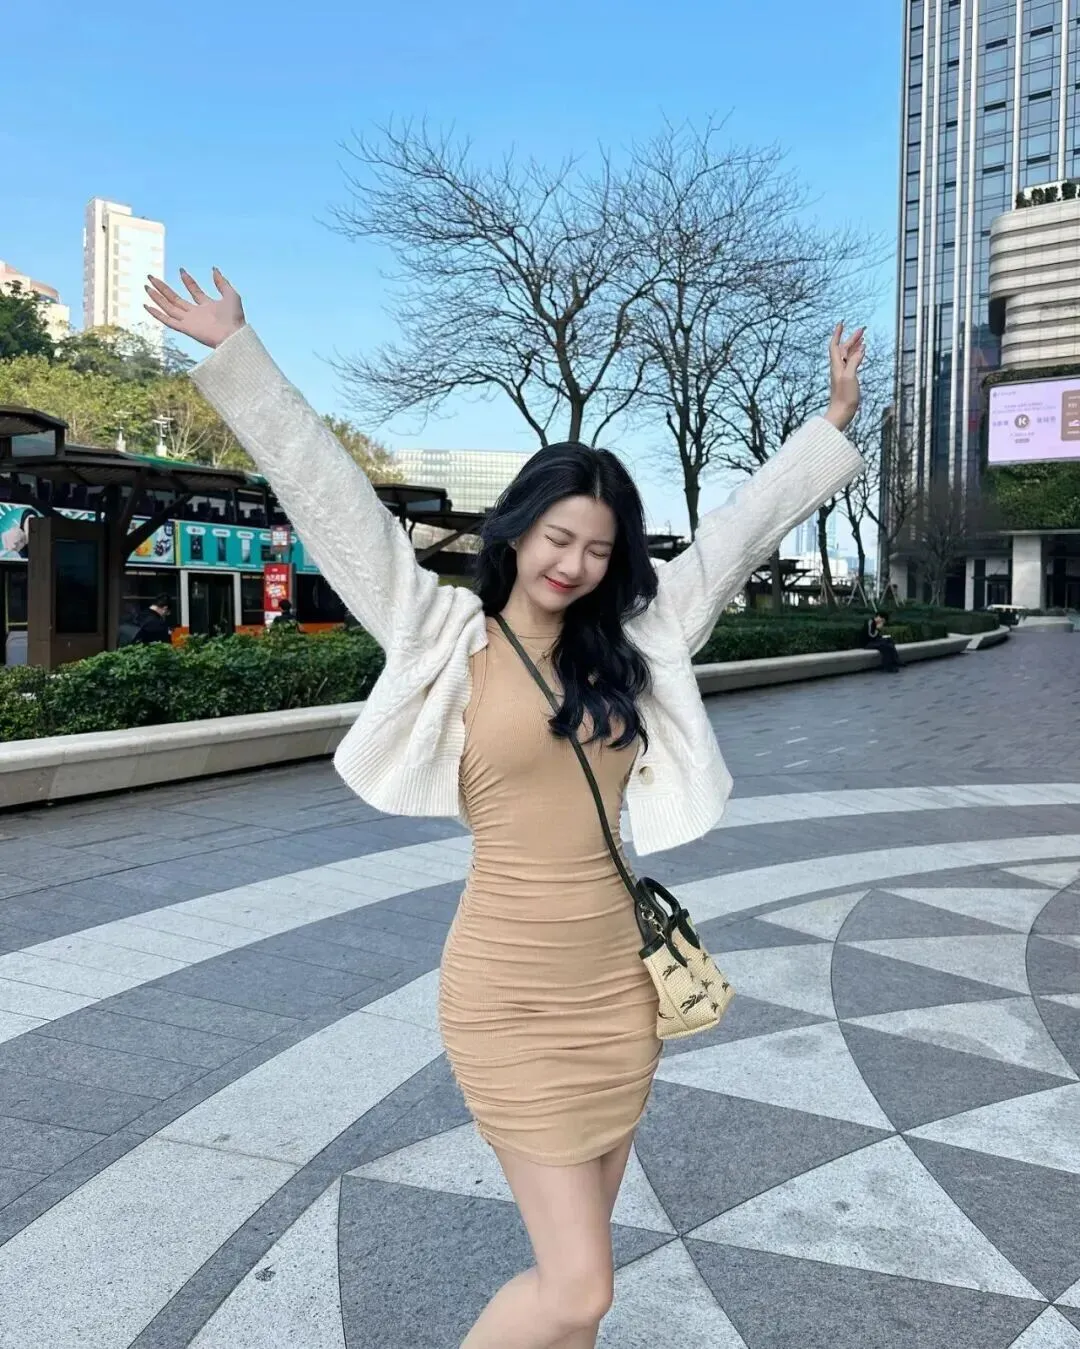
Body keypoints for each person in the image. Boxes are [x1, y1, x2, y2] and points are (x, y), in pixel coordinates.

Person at [145, 268, 865, 1349]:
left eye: (600, 549)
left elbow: (735, 536)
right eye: (559, 538)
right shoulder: (443, 637)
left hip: (617, 987)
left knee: (574, 1284)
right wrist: (239, 357)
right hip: (509, 990)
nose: (575, 563)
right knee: (580, 1288)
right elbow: (331, 498)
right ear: (519, 530)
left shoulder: (639, 642)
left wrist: (829, 426)